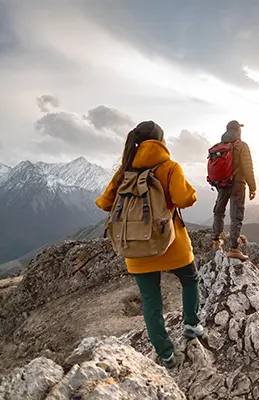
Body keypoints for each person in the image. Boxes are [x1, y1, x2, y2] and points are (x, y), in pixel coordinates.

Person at [95, 121, 202, 369]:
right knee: (189, 279)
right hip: (170, 244)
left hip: (135, 248)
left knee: (151, 300)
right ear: (161, 142)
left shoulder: (124, 171)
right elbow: (185, 198)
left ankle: (165, 353)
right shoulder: (169, 167)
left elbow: (104, 203)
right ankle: (191, 325)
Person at [211, 120, 257, 261]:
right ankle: (234, 249)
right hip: (237, 184)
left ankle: (215, 241)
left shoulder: (218, 147)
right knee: (236, 215)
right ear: (238, 131)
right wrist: (252, 187)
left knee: (219, 211)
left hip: (222, 184)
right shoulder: (241, 146)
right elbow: (248, 168)